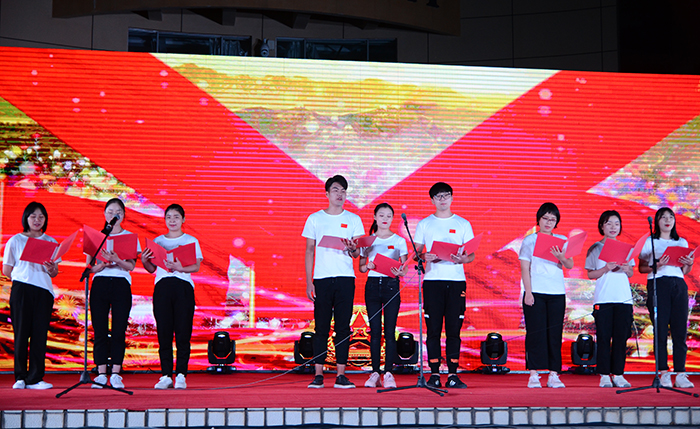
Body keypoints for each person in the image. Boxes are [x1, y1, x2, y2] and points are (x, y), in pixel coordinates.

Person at [302, 175, 364, 389]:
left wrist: (353, 249)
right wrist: (309, 281)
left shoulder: (354, 219)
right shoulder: (315, 218)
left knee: (343, 327)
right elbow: (309, 250)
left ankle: (341, 374)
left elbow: (357, 253)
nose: (340, 194)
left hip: (345, 278)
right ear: (327, 193)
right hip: (321, 278)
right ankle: (318, 374)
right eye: (336, 190)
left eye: (343, 191)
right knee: (321, 326)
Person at [414, 182, 474, 389]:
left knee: (453, 329)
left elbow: (471, 255)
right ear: (432, 200)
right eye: (438, 196)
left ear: (452, 198)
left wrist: (462, 259)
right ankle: (434, 374)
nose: (442, 199)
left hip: (456, 282)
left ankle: (453, 374)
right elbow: (416, 254)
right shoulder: (424, 224)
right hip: (432, 282)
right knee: (433, 329)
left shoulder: (463, 223)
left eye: (446, 195)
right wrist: (425, 256)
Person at [141, 204, 203, 390]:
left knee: (183, 332)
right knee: (164, 332)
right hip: (162, 287)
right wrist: (144, 260)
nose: (172, 220)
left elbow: (196, 266)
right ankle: (166, 375)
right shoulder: (158, 241)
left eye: (176, 217)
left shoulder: (190, 240)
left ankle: (181, 374)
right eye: (168, 217)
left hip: (183, 287)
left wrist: (179, 268)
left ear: (183, 219)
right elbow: (151, 269)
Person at [2, 202, 59, 390]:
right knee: (21, 333)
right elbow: (6, 270)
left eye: (41, 216)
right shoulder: (15, 240)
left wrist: (51, 268)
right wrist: (24, 274)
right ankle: (20, 377)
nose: (37, 220)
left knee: (39, 335)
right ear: (26, 218)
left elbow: (54, 272)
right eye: (33, 216)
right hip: (22, 290)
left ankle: (35, 378)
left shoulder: (50, 242)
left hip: (44, 292)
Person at [638, 207, 694, 388]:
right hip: (658, 284)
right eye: (663, 217)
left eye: (671, 217)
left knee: (680, 331)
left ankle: (681, 373)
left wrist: (689, 264)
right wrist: (657, 265)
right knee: (660, 331)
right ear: (657, 221)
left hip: (678, 285)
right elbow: (641, 268)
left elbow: (684, 271)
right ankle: (663, 372)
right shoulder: (650, 242)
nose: (668, 220)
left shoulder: (681, 241)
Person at [519, 202, 573, 388]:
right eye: (545, 218)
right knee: (535, 333)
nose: (549, 222)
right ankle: (534, 374)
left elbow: (570, 264)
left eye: (552, 219)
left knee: (555, 334)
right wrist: (528, 292)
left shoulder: (562, 240)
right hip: (536, 292)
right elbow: (525, 267)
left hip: (557, 292)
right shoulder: (529, 240)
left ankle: (553, 374)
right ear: (539, 220)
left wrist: (561, 257)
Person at [88, 198, 140, 389]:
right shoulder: (96, 237)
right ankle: (101, 373)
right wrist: (101, 265)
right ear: (104, 214)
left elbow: (131, 266)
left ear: (123, 215)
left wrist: (117, 260)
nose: (113, 215)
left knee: (119, 330)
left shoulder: (129, 237)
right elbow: (89, 268)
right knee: (100, 329)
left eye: (117, 212)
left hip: (121, 284)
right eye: (110, 211)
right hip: (100, 283)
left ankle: (116, 373)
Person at [360, 203, 408, 389]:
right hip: (372, 286)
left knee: (389, 331)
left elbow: (404, 268)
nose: (385, 219)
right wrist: (368, 266)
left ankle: (388, 373)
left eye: (388, 216)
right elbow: (361, 267)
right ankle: (374, 373)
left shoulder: (399, 240)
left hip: (391, 286)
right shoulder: (368, 240)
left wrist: (400, 271)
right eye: (381, 215)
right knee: (374, 331)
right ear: (375, 217)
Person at [585, 210, 634, 388]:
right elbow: (591, 274)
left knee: (621, 338)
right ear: (602, 226)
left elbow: (630, 272)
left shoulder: (626, 249)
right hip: (604, 299)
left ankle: (618, 374)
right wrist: (606, 268)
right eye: (609, 223)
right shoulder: (595, 248)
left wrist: (626, 269)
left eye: (616, 223)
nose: (613, 227)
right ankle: (604, 374)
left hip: (623, 299)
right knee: (604, 337)